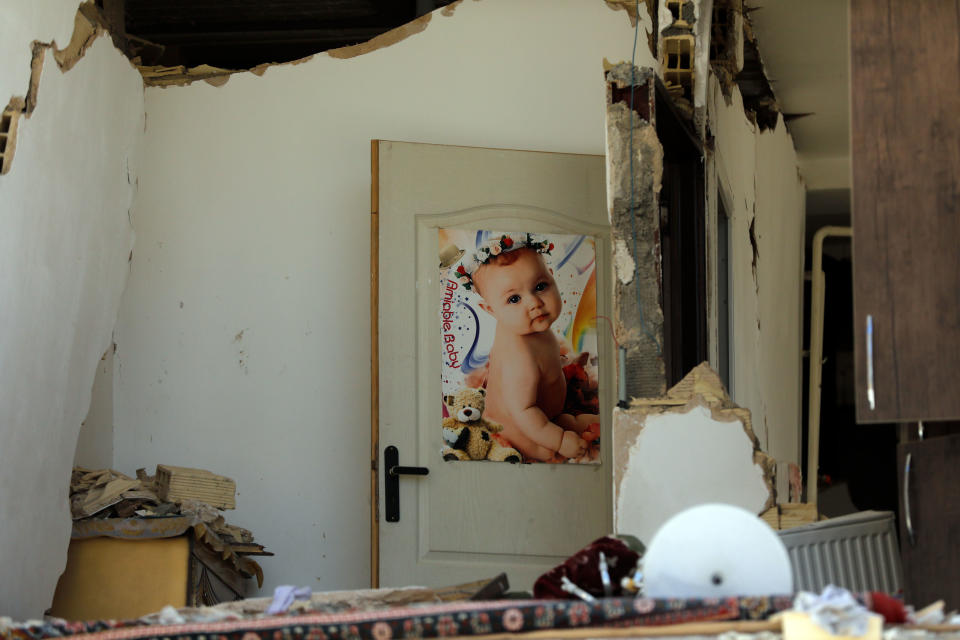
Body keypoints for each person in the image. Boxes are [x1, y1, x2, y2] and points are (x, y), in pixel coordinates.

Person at [456, 234, 595, 461]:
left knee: (564, 423)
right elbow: (524, 412)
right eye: (514, 299)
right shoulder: (519, 359)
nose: (534, 303)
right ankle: (559, 432)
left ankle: (564, 424)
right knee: (547, 451)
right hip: (517, 425)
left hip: (542, 412)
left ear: (551, 277)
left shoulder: (526, 327)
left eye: (540, 286)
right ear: (490, 310)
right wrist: (559, 440)